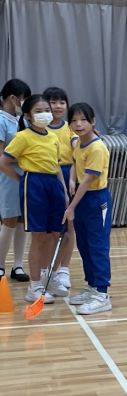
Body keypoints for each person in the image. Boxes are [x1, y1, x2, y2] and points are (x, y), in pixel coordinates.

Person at [0, 95, 68, 304]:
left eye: (47, 110)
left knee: (57, 235)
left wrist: (64, 191)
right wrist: (22, 180)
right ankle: (34, 286)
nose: (45, 114)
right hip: (34, 184)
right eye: (38, 111)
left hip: (54, 185)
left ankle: (48, 278)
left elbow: (56, 166)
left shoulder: (53, 137)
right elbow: (3, 162)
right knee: (39, 237)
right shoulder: (23, 136)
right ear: (28, 116)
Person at [62, 103, 113, 314]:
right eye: (74, 120)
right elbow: (75, 162)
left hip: (96, 200)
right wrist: (71, 179)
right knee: (84, 245)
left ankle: (102, 294)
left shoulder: (97, 147)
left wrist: (70, 207)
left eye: (83, 119)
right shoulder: (79, 144)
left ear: (93, 121)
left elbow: (89, 180)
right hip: (82, 199)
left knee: (98, 245)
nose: (78, 124)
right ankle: (92, 285)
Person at [44, 87, 78, 289]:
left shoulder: (71, 128)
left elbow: (77, 147)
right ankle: (47, 270)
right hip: (47, 175)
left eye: (62, 102)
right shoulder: (40, 129)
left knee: (69, 226)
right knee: (49, 229)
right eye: (53, 102)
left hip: (68, 174)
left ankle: (63, 270)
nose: (58, 106)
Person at [0, 79, 31, 282]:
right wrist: (18, 173)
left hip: (25, 177)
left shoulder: (23, 120)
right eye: (24, 98)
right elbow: (1, 156)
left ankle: (17, 266)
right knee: (9, 221)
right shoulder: (1, 120)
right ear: (13, 98)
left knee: (22, 220)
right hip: (9, 178)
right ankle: (0, 265)